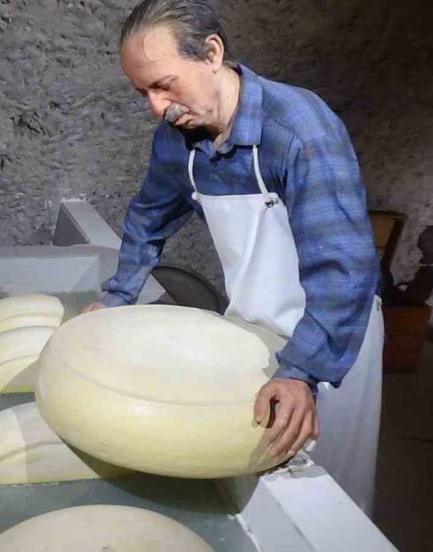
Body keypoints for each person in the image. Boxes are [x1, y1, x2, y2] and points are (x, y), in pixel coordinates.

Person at [84, 0, 383, 516]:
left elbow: (345, 268)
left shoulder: (298, 128)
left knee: (321, 499)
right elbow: (148, 218)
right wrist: (117, 297)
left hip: (333, 338)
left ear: (212, 53)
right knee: (249, 485)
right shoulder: (177, 141)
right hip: (251, 325)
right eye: (143, 93)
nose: (157, 107)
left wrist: (302, 372)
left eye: (164, 85)